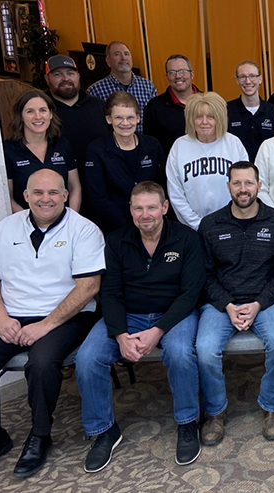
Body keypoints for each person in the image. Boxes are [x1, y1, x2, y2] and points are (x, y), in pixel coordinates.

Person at [0, 169, 104, 480]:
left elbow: (88, 287)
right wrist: (1, 319)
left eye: (53, 192)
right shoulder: (5, 228)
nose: (46, 198)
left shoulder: (84, 230)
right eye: (38, 193)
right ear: (26, 196)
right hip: (12, 315)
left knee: (41, 363)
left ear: (65, 196)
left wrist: (45, 325)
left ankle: (40, 434)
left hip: (65, 316)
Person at [76, 181, 204, 471]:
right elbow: (109, 293)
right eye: (138, 208)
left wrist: (158, 330)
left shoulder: (187, 239)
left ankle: (187, 423)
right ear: (131, 210)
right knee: (87, 358)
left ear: (164, 208)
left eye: (151, 207)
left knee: (181, 353)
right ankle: (104, 430)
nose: (145, 214)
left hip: (174, 314)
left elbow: (191, 292)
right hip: (128, 315)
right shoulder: (117, 241)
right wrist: (121, 335)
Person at [196, 162, 274, 446]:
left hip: (265, 300)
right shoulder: (210, 224)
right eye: (236, 183)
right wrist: (227, 305)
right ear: (228, 186)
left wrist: (259, 304)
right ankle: (215, 412)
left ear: (259, 186)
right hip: (221, 303)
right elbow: (205, 275)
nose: (243, 189)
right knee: (204, 349)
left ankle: (272, 407)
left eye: (248, 183)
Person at [84, 91, 165, 234]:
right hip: (114, 227)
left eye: (130, 117)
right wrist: (125, 228)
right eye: (118, 118)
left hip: (152, 223)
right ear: (109, 119)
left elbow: (162, 185)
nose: (125, 123)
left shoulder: (152, 145)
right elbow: (99, 197)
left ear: (138, 118)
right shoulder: (97, 150)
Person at [166, 92, 249, 230]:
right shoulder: (179, 146)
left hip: (232, 225)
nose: (204, 122)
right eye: (199, 117)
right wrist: (198, 225)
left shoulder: (234, 144)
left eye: (211, 117)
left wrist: (233, 220)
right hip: (192, 228)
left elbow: (245, 186)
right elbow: (176, 193)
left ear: (220, 118)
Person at [4, 90, 81, 213]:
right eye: (30, 111)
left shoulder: (62, 144)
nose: (38, 116)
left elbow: (74, 186)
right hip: (26, 225)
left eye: (43, 110)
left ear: (50, 114)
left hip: (63, 222)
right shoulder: (9, 150)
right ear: (21, 116)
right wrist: (28, 223)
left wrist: (70, 219)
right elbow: (8, 197)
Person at [44, 55, 107, 172]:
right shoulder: (41, 109)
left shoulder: (99, 106)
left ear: (78, 76)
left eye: (70, 73)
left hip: (98, 180)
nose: (65, 78)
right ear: (47, 79)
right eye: (58, 74)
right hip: (57, 183)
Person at [87, 41, 157, 133]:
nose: (123, 58)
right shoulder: (95, 91)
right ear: (108, 61)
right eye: (117, 54)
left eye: (126, 54)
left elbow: (155, 120)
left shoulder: (148, 87)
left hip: (144, 144)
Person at [144, 54, 201, 153]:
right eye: (172, 72)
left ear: (192, 74)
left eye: (183, 71)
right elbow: (150, 145)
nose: (178, 76)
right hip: (170, 166)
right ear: (167, 77)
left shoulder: (207, 103)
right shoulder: (154, 107)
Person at [226, 61, 274, 162]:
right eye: (242, 77)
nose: (248, 81)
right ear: (237, 80)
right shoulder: (226, 111)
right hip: (237, 171)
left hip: (267, 172)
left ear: (260, 79)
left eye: (252, 76)